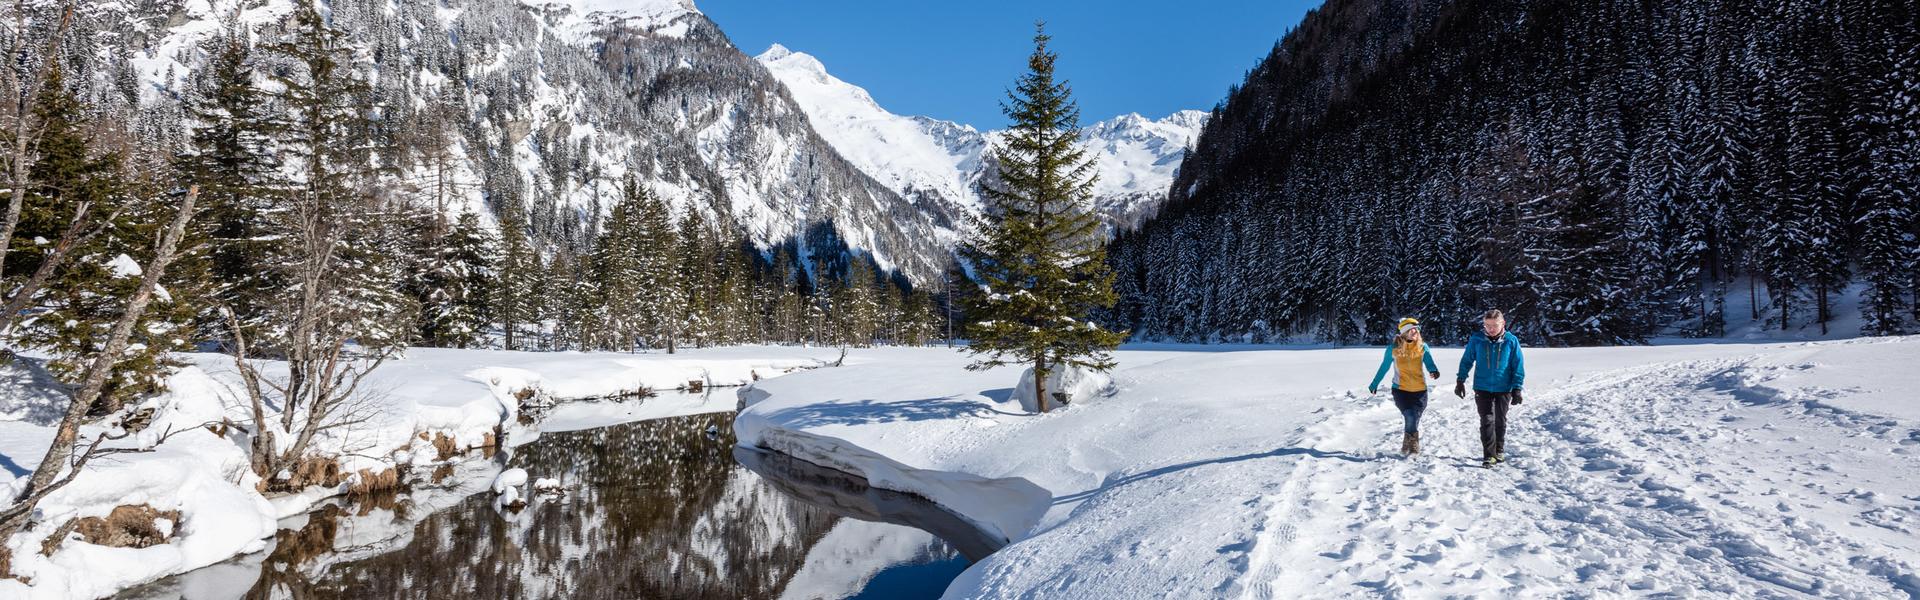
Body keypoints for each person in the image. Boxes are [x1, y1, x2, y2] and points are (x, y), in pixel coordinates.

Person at [1455, 309, 1526, 468]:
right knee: (1487, 420)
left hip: (1504, 388)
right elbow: (1467, 360)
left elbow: (1518, 366)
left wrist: (1517, 388)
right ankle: (1489, 455)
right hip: (1482, 387)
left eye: (1494, 325)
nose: (1491, 329)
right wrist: (1460, 380)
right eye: (1487, 325)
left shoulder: (1511, 341)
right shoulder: (1477, 340)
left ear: (1503, 324)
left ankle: (1499, 449)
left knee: (1500, 420)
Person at [1370, 317, 1441, 455]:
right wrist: (1374, 384)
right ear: (1404, 332)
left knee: (1414, 418)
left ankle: (1406, 443)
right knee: (1410, 415)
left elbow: (1429, 363)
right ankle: (1413, 447)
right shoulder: (1393, 349)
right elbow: (1384, 367)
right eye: (1411, 329)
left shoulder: (1422, 347)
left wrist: (1434, 371)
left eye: (1417, 329)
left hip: (1420, 391)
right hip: (1400, 390)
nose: (1415, 331)